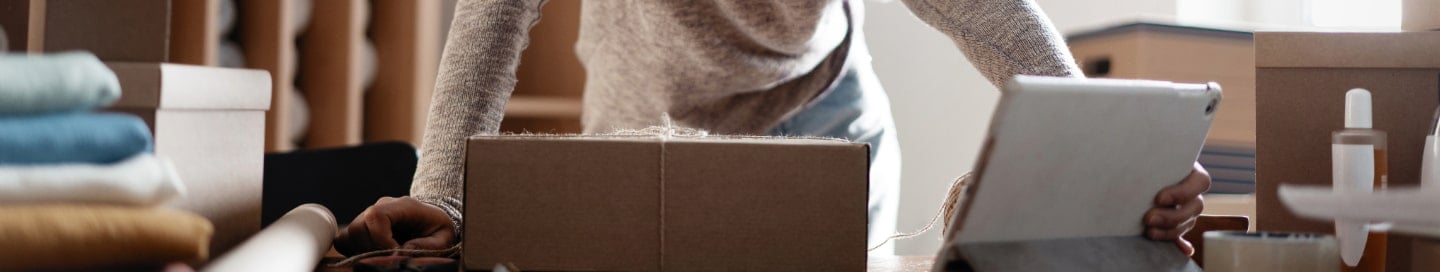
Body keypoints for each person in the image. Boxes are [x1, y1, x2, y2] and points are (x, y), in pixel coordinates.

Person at [335, 0, 1212, 256]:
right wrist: (441, 192)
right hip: (639, 125)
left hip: (824, 120)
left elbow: (988, 15)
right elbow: (492, 17)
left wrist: (1112, 152)